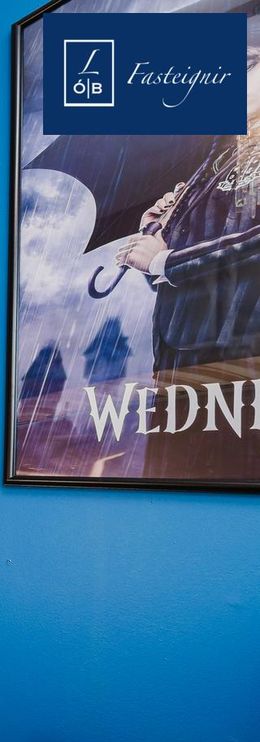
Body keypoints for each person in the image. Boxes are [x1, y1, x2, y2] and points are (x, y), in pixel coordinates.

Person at [113, 46, 260, 478]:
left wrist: (168, 260)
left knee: (229, 473)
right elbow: (170, 272)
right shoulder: (216, 159)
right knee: (172, 473)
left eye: (249, 70)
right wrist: (158, 228)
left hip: (239, 349)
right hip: (180, 348)